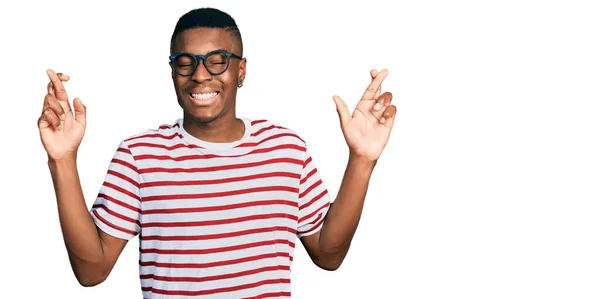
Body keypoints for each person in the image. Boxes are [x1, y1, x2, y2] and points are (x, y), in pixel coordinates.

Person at [38, 7, 396, 299]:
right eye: (185, 62)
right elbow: (91, 271)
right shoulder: (139, 155)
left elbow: (328, 255)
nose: (200, 75)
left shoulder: (287, 149)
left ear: (241, 70)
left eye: (217, 60)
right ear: (172, 71)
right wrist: (62, 159)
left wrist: (362, 160)